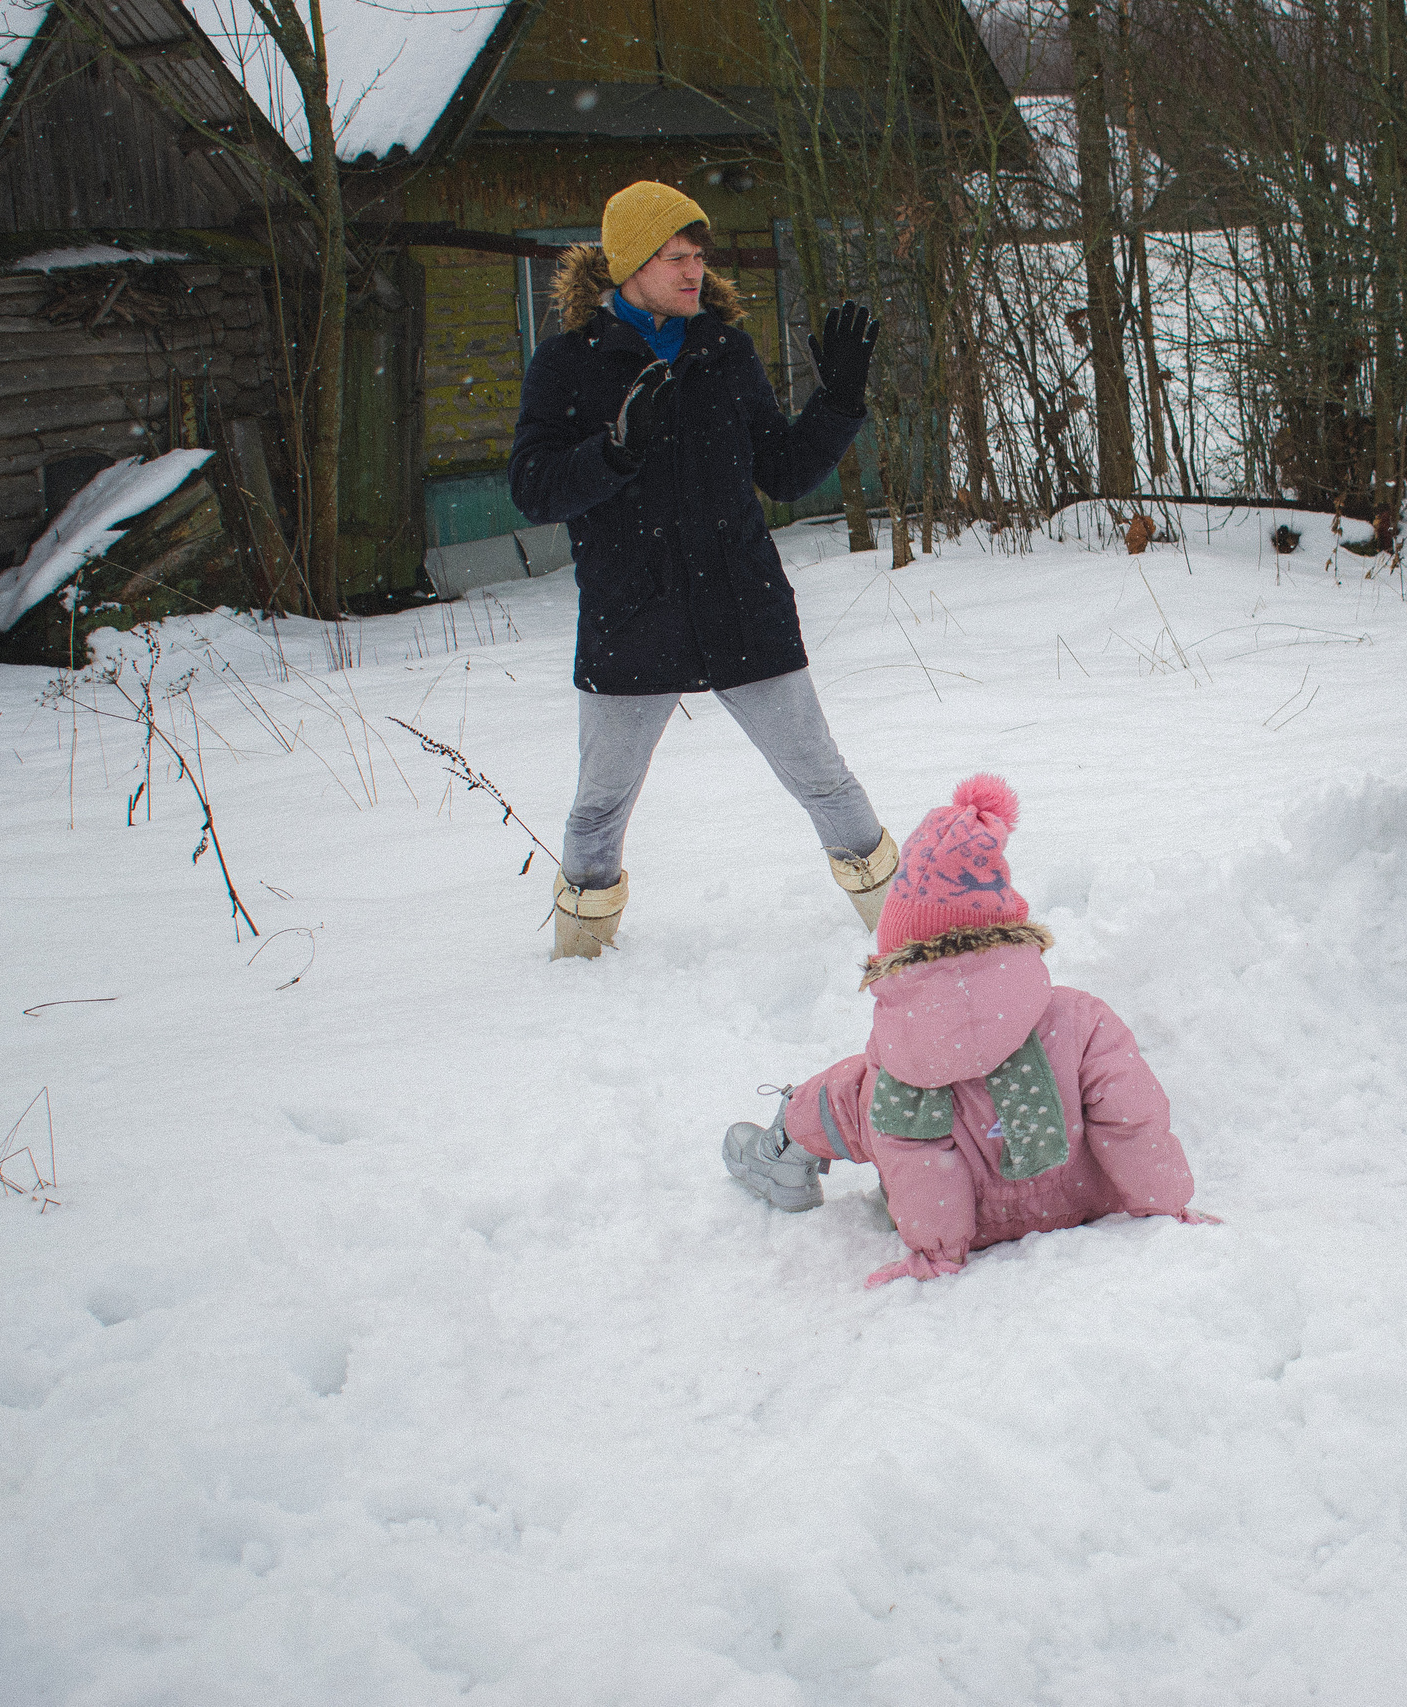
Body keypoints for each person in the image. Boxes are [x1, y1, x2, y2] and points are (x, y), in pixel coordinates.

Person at [508, 180, 898, 959]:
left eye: (698, 256)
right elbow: (533, 488)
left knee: (823, 776)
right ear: (628, 266)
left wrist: (839, 401)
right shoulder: (568, 364)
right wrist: (614, 452)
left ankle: (903, 929)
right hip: (631, 612)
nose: (694, 272)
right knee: (599, 808)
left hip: (739, 604)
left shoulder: (722, 350)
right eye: (674, 257)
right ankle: (579, 959)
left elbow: (783, 471)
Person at [720, 775, 1217, 1286]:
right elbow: (1132, 1121)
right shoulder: (1083, 1021)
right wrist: (1166, 1208)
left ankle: (784, 1145)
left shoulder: (899, 1056)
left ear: (898, 952)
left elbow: (919, 1163)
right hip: (1083, 1196)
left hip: (972, 1224)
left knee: (852, 1092)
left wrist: (939, 1255)